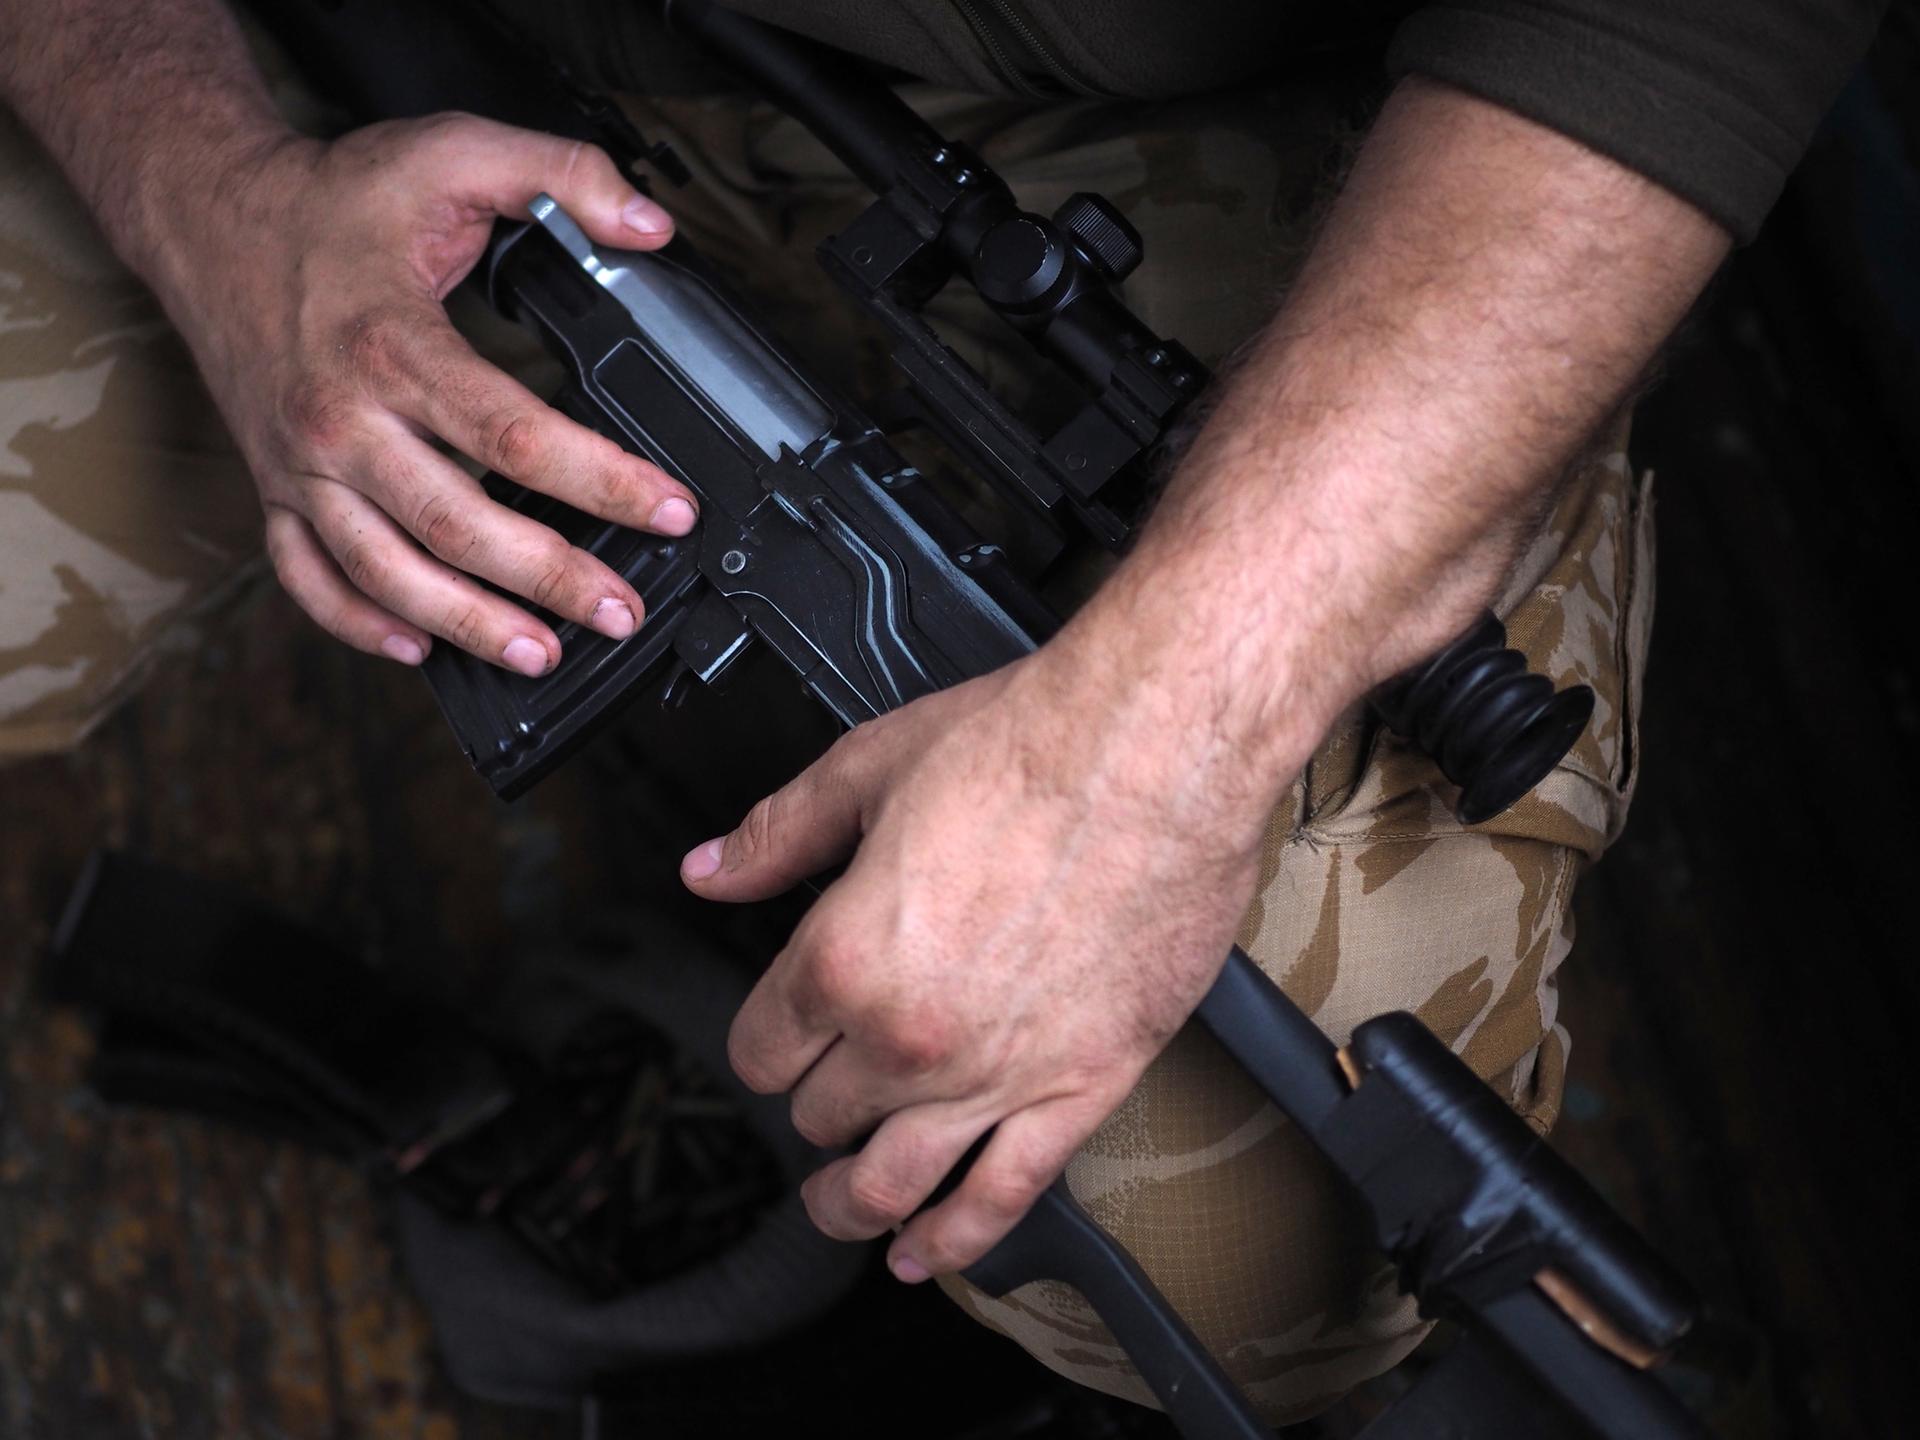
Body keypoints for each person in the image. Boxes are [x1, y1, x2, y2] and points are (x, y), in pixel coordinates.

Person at [0, 0, 1886, 1422]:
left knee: (1250, 1249)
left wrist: (1164, 735)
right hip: (335, 69)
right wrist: (208, 193)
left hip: (1178, 122)